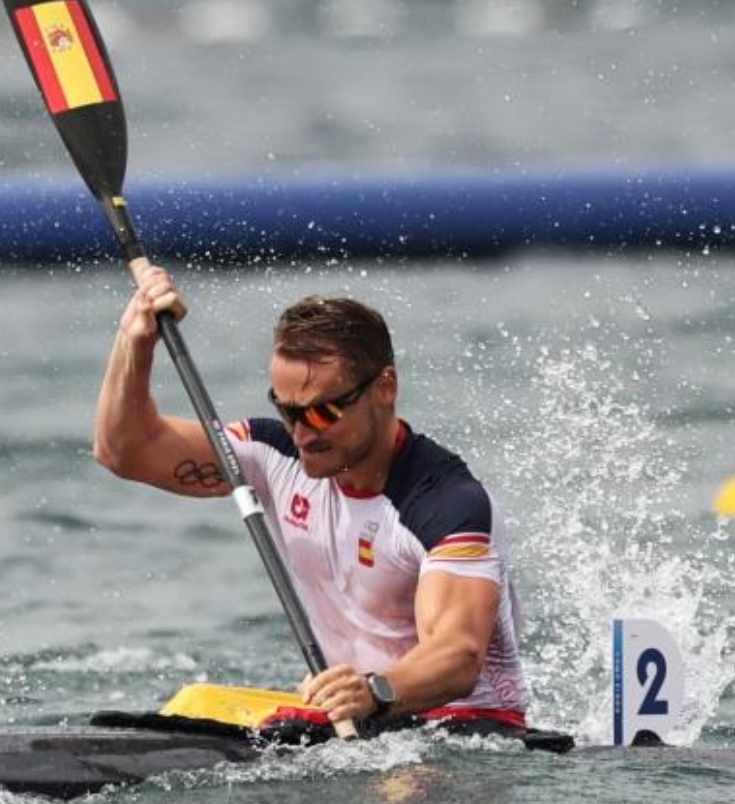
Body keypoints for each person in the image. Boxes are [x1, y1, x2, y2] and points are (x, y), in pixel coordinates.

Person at [92, 265, 525, 728]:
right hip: (350, 717)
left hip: (464, 727)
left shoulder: (446, 504)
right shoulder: (272, 453)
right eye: (286, 409)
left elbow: (458, 654)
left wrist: (374, 690)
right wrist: (134, 342)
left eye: (323, 413)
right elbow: (123, 451)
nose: (300, 432)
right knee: (188, 704)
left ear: (385, 387)